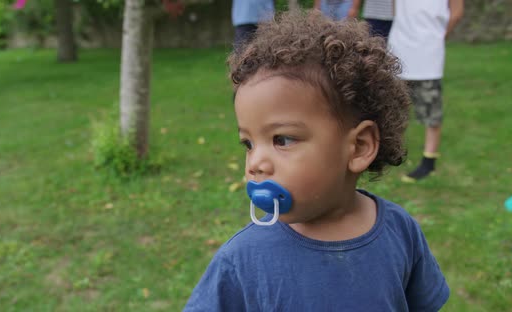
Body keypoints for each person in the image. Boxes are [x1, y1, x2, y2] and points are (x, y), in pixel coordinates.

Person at [185, 11, 449, 311]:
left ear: (359, 146)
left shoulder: (400, 232)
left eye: (282, 140)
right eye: (248, 143)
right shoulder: (243, 258)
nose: (256, 162)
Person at [388, 0, 464, 182]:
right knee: (393, 108)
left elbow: (457, 12)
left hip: (428, 53)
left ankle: (428, 162)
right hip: (399, 46)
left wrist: (438, 35)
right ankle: (391, 153)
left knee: (431, 112)